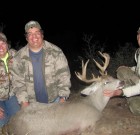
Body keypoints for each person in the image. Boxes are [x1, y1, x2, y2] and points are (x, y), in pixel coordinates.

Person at [11, 20, 71, 108]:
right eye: (30, 34)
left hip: (55, 100)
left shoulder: (56, 52)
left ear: (42, 34)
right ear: (26, 37)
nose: (34, 36)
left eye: (37, 33)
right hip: (32, 104)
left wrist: (62, 98)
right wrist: (24, 102)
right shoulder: (18, 57)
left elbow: (64, 76)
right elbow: (18, 83)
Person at [104, 27, 140, 115]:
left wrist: (121, 92)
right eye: (138, 34)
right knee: (122, 70)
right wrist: (130, 68)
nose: (139, 37)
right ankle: (131, 98)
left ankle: (129, 94)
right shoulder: (139, 53)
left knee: (136, 109)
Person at [0, 32, 20, 131]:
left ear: (7, 44)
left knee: (17, 122)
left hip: (12, 96)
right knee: (2, 125)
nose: (1, 47)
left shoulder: (15, 55)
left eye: (3, 43)